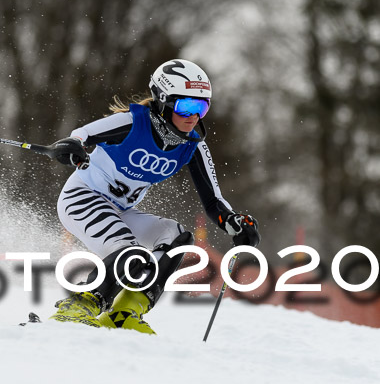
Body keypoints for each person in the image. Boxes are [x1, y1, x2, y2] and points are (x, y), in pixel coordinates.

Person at [47, 59, 261, 334]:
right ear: (163, 100)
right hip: (82, 197)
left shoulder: (192, 145)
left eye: (202, 106)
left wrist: (234, 222)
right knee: (131, 253)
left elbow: (213, 201)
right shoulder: (133, 123)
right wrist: (71, 146)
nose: (194, 116)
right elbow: (84, 134)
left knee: (177, 237)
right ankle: (80, 306)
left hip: (120, 209)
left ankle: (125, 311)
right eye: (186, 105)